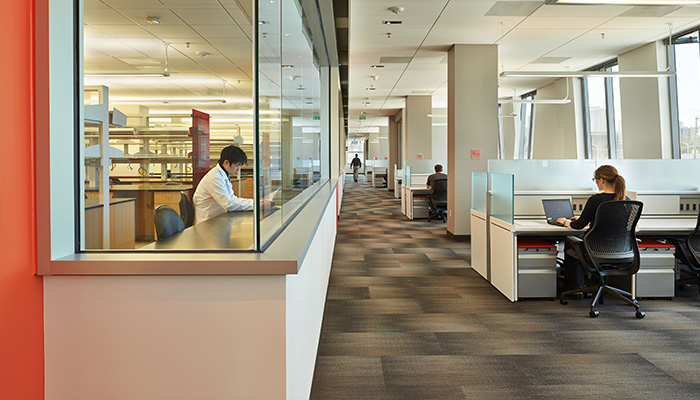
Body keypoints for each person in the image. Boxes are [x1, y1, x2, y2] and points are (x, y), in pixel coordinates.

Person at [557, 165, 627, 291]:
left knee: (570, 241)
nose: (596, 182)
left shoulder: (596, 199)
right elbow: (613, 223)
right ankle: (592, 284)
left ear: (602, 180)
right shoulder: (626, 200)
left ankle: (577, 288)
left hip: (595, 250)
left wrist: (565, 221)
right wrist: (590, 221)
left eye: (595, 179)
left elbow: (577, 226)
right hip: (620, 250)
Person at [193, 145, 271, 224]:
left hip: (217, 220)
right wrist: (256, 205)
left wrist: (257, 202)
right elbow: (229, 204)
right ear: (226, 162)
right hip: (207, 224)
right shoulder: (214, 178)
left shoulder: (222, 175)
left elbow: (232, 199)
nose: (238, 169)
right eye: (237, 166)